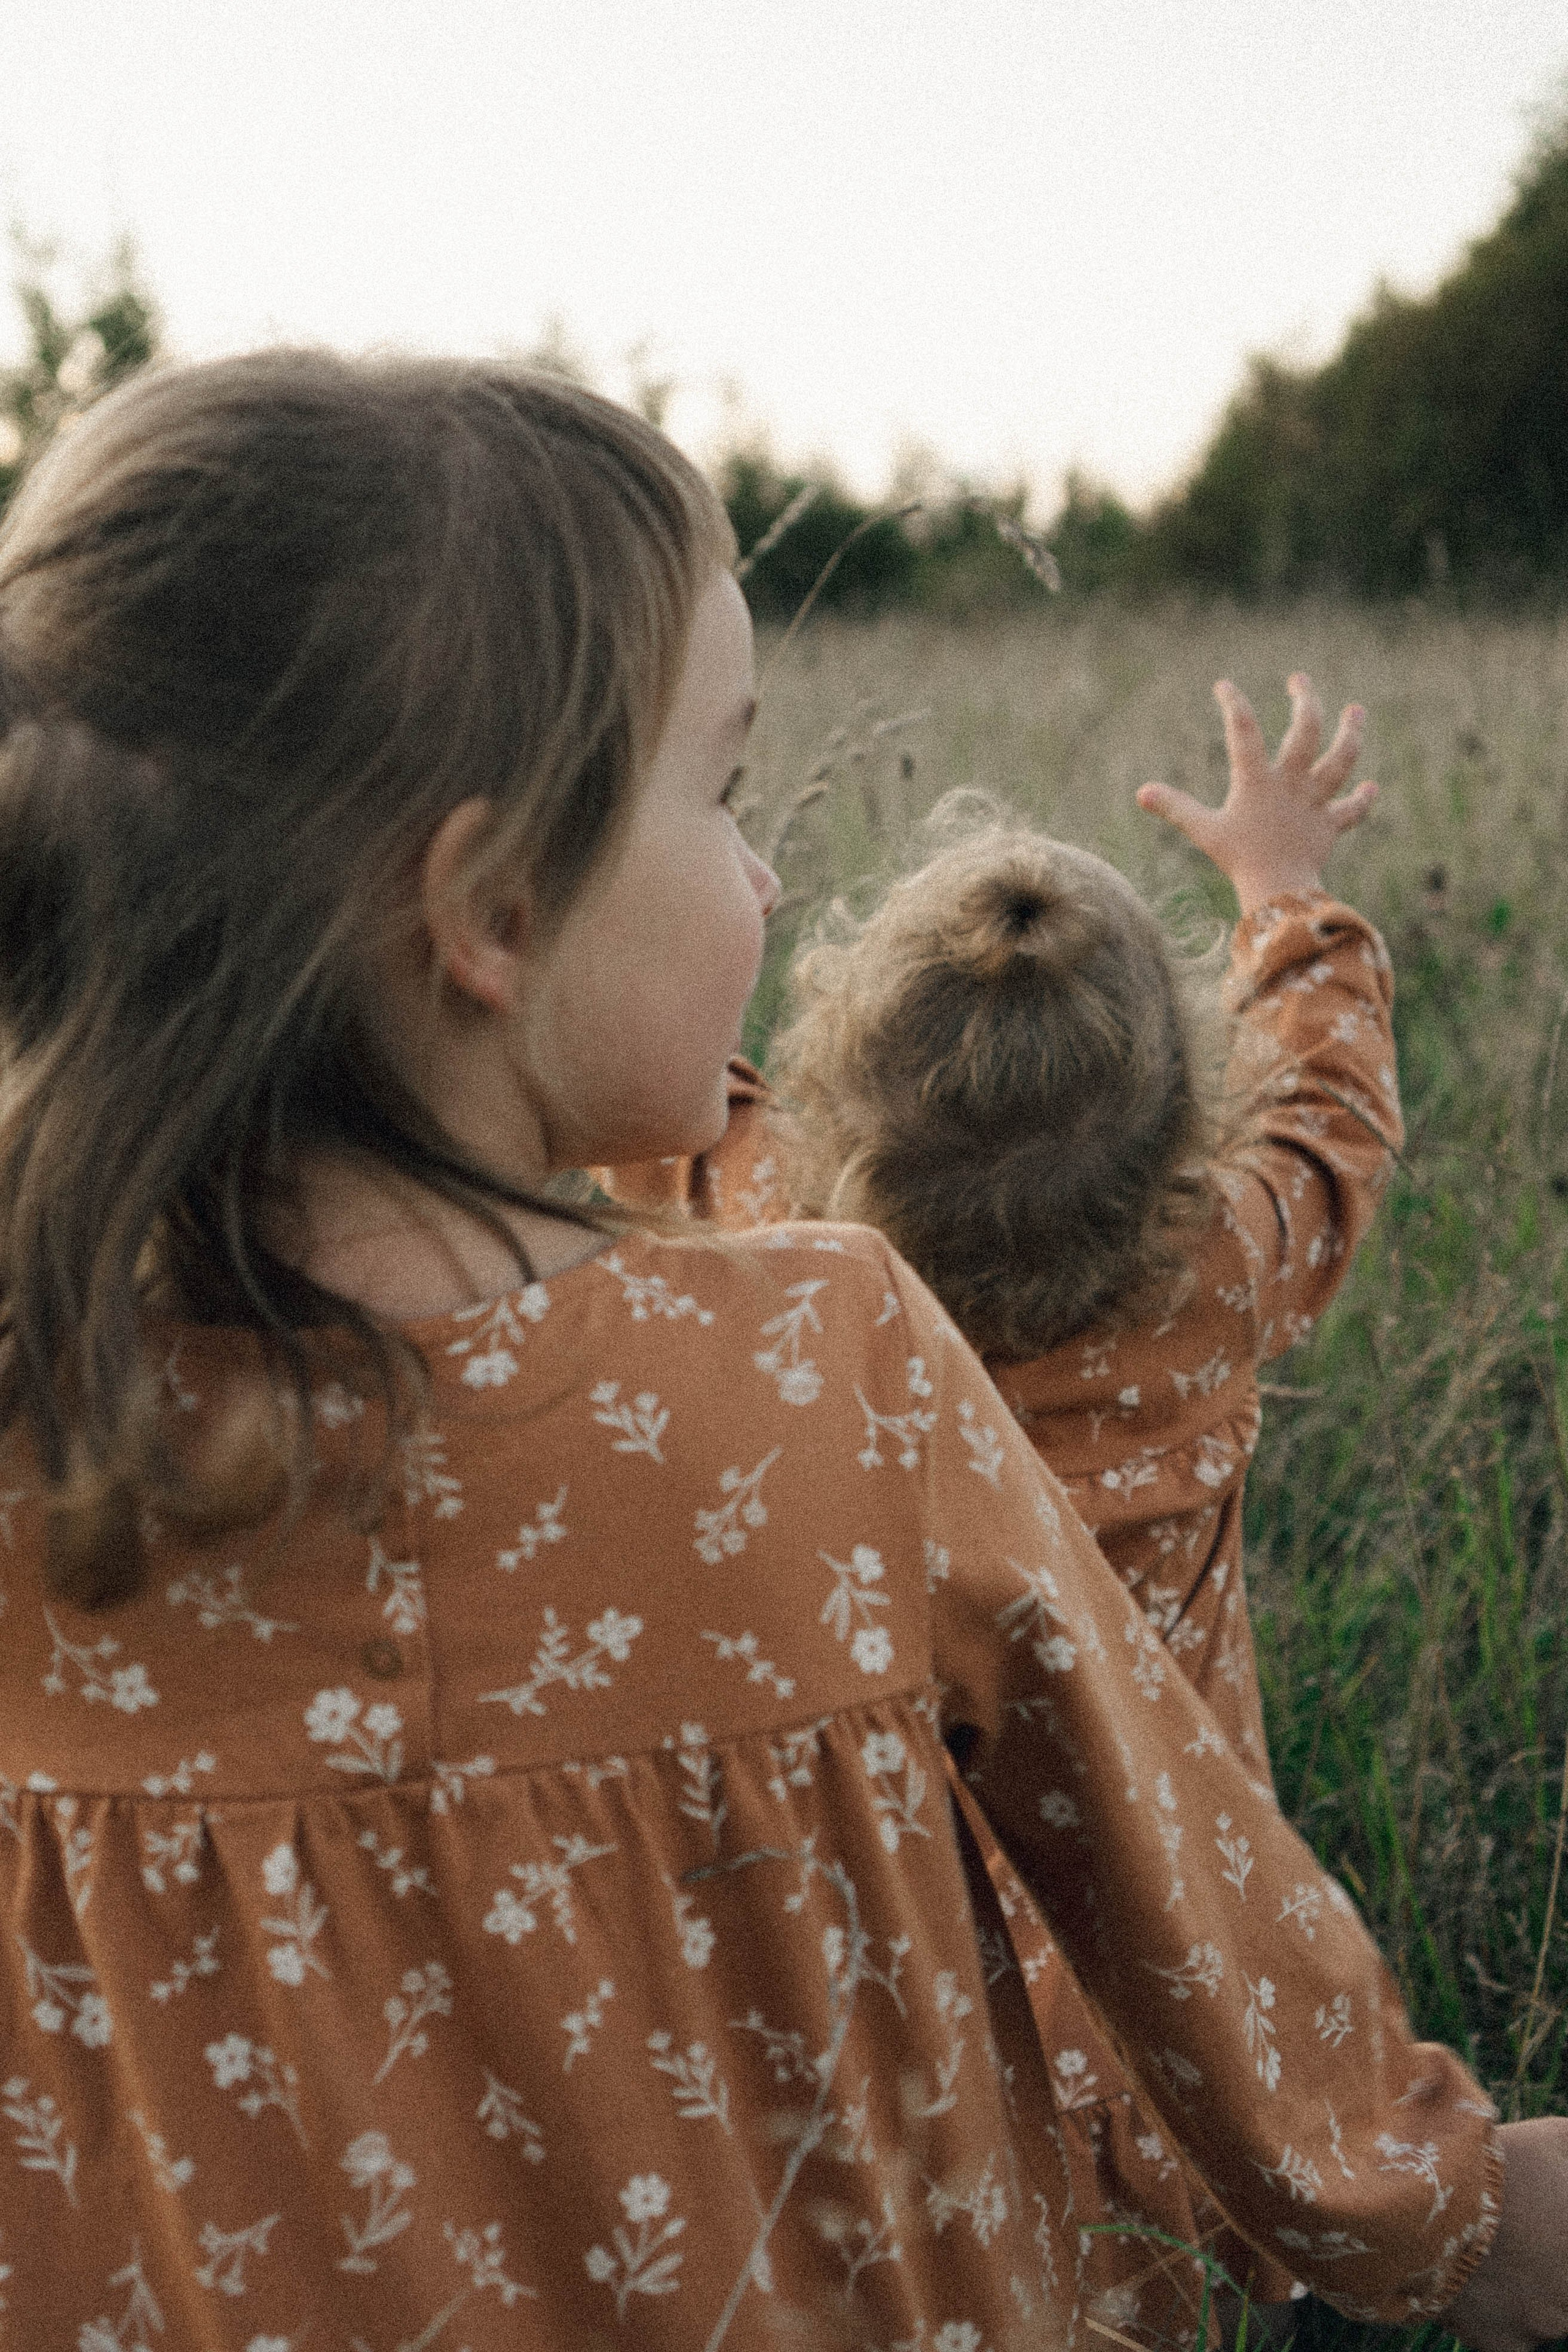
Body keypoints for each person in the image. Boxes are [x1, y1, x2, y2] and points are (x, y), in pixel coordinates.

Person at [0, 352, 1561, 2352]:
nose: (760, 872)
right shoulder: (817, 1364)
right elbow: (1187, 1900)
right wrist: (1444, 2207)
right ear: (490, 904)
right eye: (722, 791)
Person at [599, 682, 1403, 2333]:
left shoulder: (776, 1262)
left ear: (837, 1093)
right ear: (1189, 1120)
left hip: (877, 1916)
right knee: (1155, 2166)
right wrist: (1284, 891)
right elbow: (1332, 1109)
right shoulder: (1230, 1268)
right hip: (1152, 1893)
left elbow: (665, 1116)